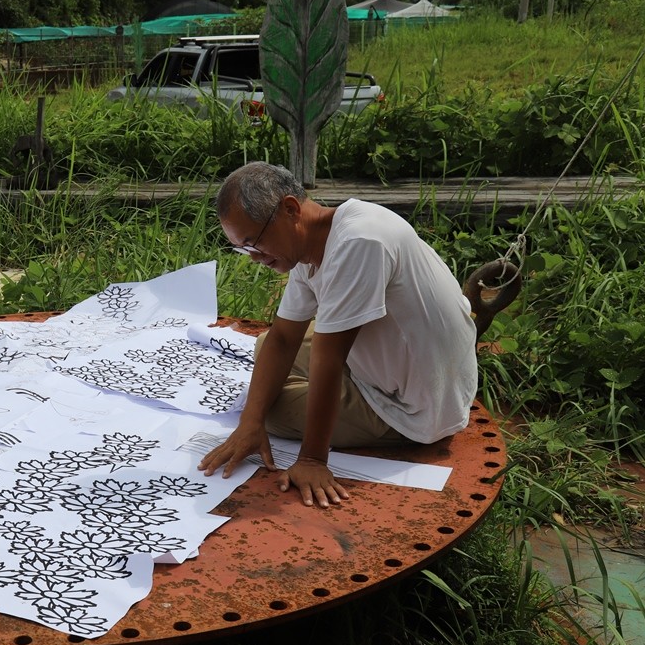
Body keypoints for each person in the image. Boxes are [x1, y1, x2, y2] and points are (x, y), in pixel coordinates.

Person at [198, 162, 477, 507]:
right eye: (243, 248)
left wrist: (311, 460)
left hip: (418, 405)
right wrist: (247, 423)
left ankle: (308, 423)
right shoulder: (313, 244)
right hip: (397, 361)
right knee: (265, 348)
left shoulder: (360, 242)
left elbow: (329, 359)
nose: (254, 257)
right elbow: (283, 338)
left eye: (254, 242)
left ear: (290, 209)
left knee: (274, 412)